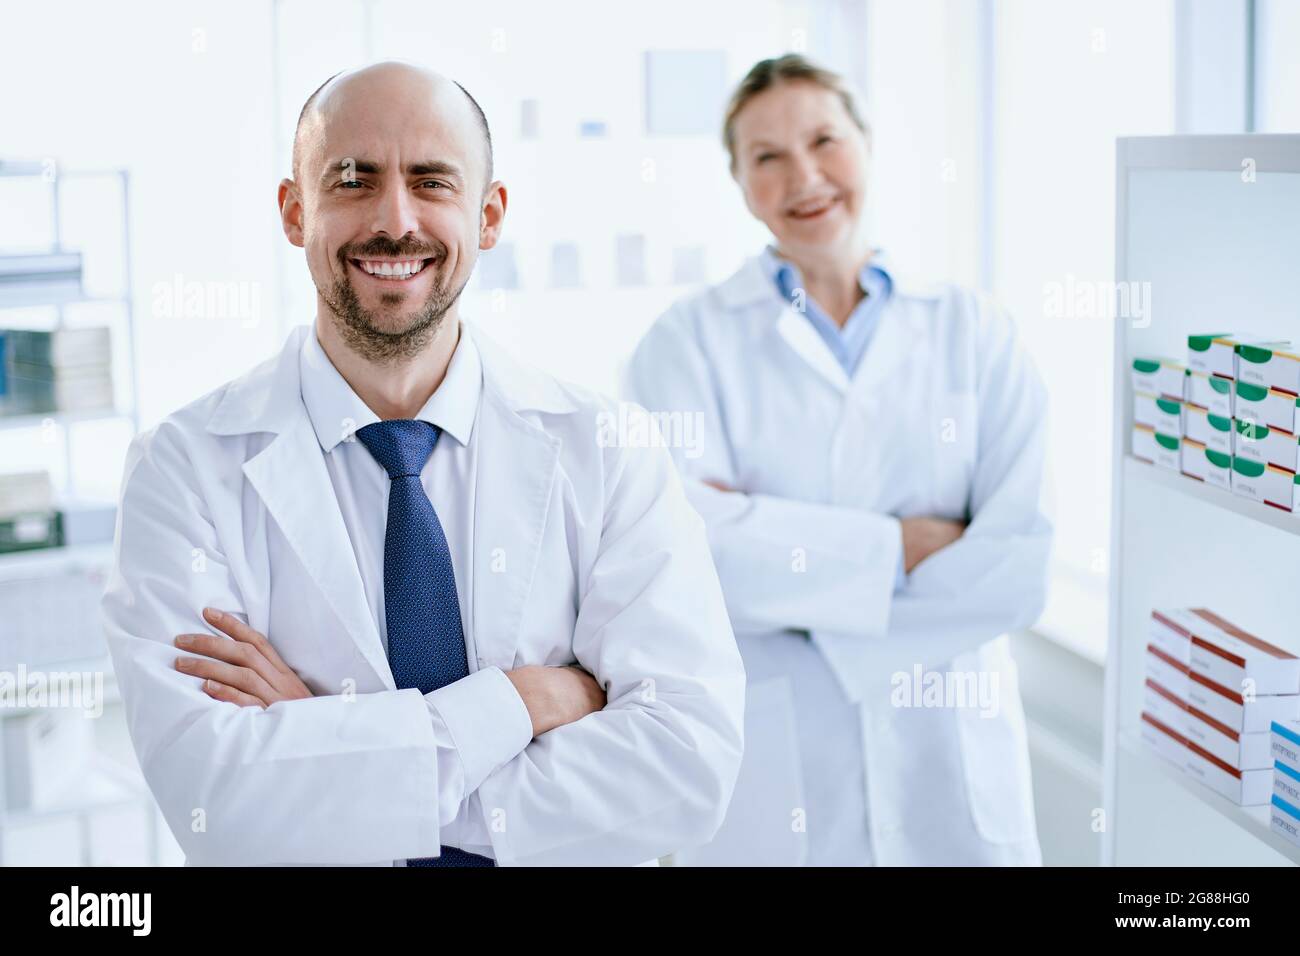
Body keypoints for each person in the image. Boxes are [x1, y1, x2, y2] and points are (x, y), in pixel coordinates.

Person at [101, 61, 745, 867]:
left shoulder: (609, 449)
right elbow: (222, 807)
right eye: (352, 180)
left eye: (431, 181)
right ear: (295, 211)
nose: (394, 220)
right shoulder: (181, 470)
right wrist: (517, 702)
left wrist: (338, 759)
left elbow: (686, 773)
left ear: (489, 214)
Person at [626, 54, 1052, 866]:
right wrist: (900, 548)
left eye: (825, 139)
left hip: (951, 751)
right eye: (767, 157)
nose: (805, 175)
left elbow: (1018, 567)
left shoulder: (975, 329)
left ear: (866, 143)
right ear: (740, 184)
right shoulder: (684, 344)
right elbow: (690, 562)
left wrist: (789, 575)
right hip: (781, 771)